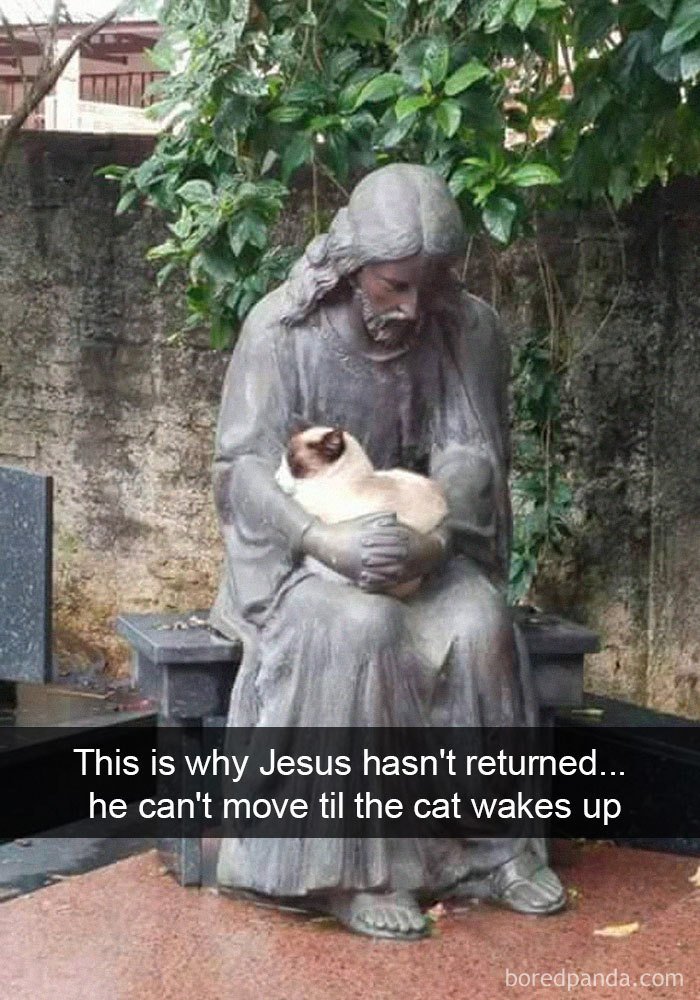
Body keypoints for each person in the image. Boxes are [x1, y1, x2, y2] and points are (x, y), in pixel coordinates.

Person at [210, 163, 566, 939]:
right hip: (306, 554)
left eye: (429, 287)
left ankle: (494, 852)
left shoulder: (464, 329)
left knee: (479, 623)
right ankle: (354, 872)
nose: (412, 307)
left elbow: (470, 452)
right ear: (351, 268)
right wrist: (323, 540)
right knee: (361, 628)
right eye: (394, 285)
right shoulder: (282, 331)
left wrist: (431, 540)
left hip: (420, 540)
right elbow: (243, 469)